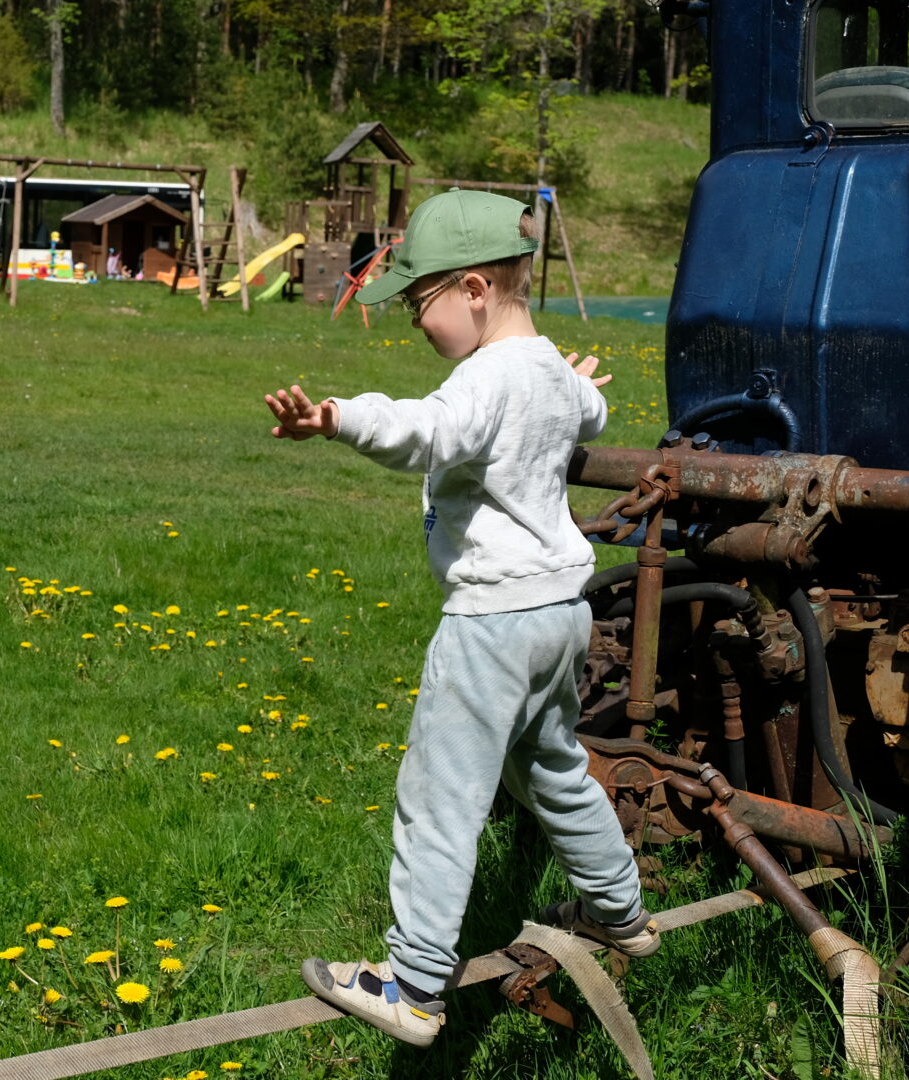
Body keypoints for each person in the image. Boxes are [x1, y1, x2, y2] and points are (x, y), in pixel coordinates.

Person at [261, 190, 654, 1048]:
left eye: (418, 301)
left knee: (440, 798)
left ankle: (412, 986)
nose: (413, 320)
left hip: (492, 623)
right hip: (560, 613)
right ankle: (620, 911)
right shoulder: (547, 368)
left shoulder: (485, 377)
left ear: (475, 288)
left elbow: (426, 431)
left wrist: (338, 418)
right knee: (553, 766)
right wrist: (580, 389)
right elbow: (588, 413)